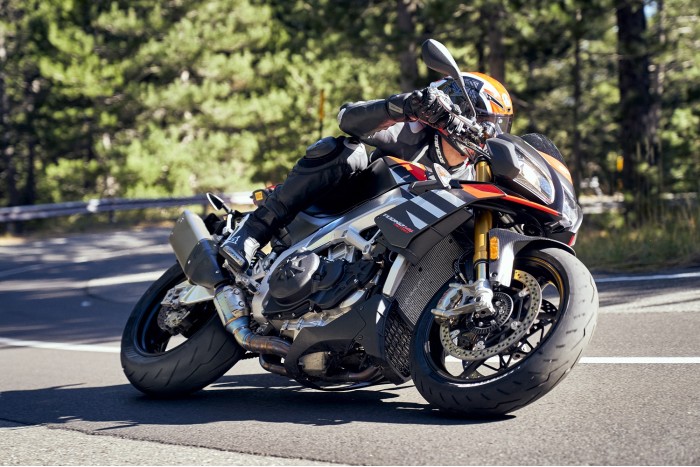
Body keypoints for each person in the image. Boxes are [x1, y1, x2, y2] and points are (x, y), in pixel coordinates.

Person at [220, 72, 514, 271]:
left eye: (497, 127)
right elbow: (346, 118)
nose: (488, 134)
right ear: (460, 110)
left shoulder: (475, 178)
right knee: (347, 151)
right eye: (485, 123)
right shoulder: (411, 133)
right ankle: (252, 231)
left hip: (387, 259)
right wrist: (403, 107)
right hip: (340, 211)